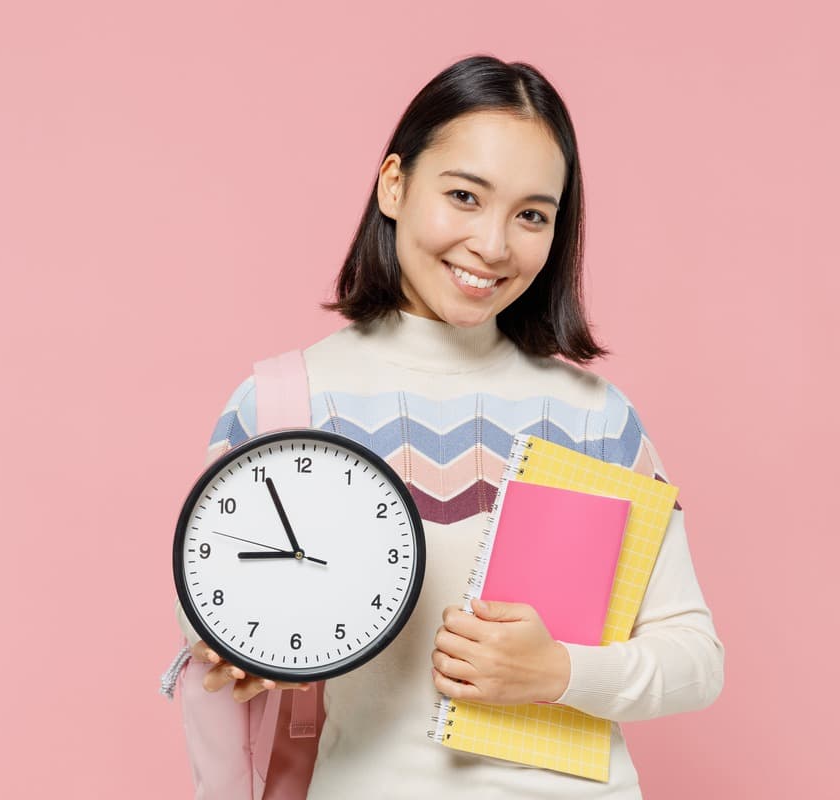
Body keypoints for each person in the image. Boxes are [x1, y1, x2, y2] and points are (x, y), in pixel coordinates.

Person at [175, 54, 724, 799]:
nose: (494, 245)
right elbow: (218, 634)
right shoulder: (284, 405)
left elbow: (697, 659)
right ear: (394, 184)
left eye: (532, 214)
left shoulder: (594, 418)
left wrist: (558, 672)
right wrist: (235, 659)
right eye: (465, 196)